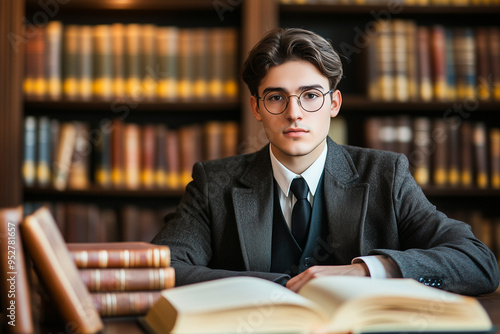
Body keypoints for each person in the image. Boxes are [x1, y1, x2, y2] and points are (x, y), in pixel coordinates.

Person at [152, 27, 499, 295]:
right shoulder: (214, 182)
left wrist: (367, 270)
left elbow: (478, 263)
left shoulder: (386, 175)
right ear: (257, 108)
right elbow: (163, 266)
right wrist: (279, 285)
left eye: (310, 96)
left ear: (334, 104)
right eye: (276, 97)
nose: (294, 113)